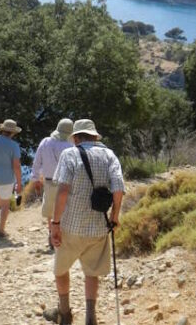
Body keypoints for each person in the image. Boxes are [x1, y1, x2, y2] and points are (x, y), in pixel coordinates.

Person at [46, 119, 124, 325]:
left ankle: (65, 314)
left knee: (61, 270)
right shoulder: (109, 155)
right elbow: (118, 190)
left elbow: (62, 191)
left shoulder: (69, 154)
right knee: (92, 272)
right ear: (94, 136)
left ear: (77, 137)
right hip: (98, 227)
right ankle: (91, 317)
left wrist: (55, 224)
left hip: (70, 227)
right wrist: (114, 217)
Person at [32, 118, 74, 250]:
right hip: (67, 183)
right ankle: (64, 237)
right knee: (66, 209)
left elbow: (37, 162)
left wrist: (35, 179)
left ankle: (51, 235)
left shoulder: (45, 142)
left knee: (50, 210)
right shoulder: (71, 146)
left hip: (49, 181)